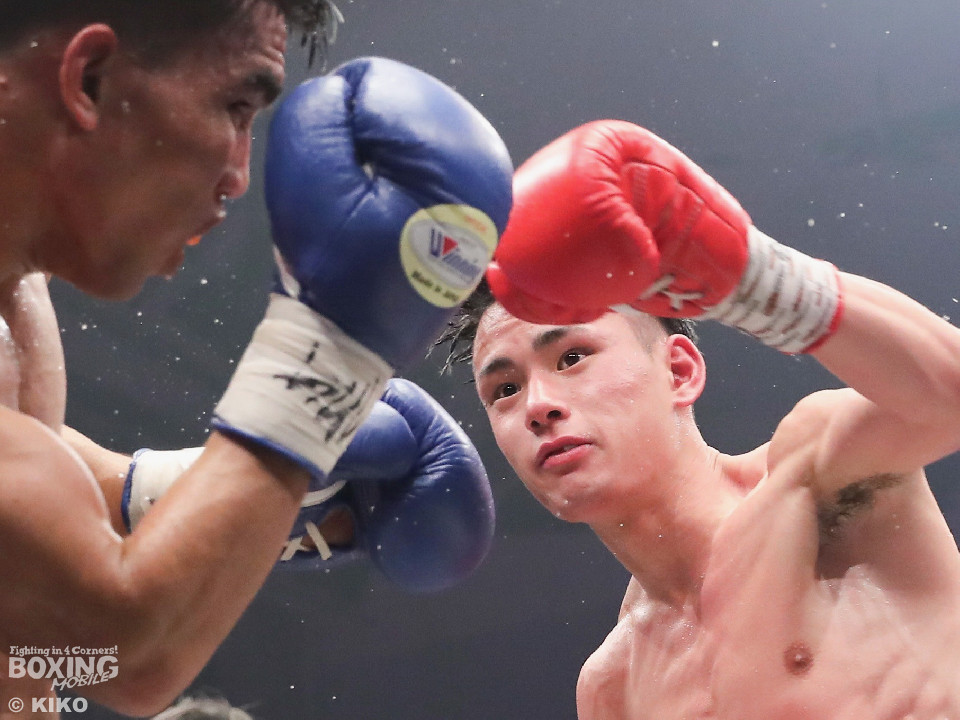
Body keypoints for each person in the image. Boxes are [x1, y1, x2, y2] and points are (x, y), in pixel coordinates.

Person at [0, 2, 512, 717]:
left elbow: (49, 525)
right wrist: (322, 365)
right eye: (235, 107)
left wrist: (216, 495)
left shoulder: (19, 293)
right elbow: (118, 656)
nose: (240, 174)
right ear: (89, 77)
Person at [443, 119, 960, 719]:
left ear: (679, 371)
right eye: (504, 389)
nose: (538, 405)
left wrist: (756, 281)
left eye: (572, 357)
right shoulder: (614, 689)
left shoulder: (816, 481)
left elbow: (947, 398)